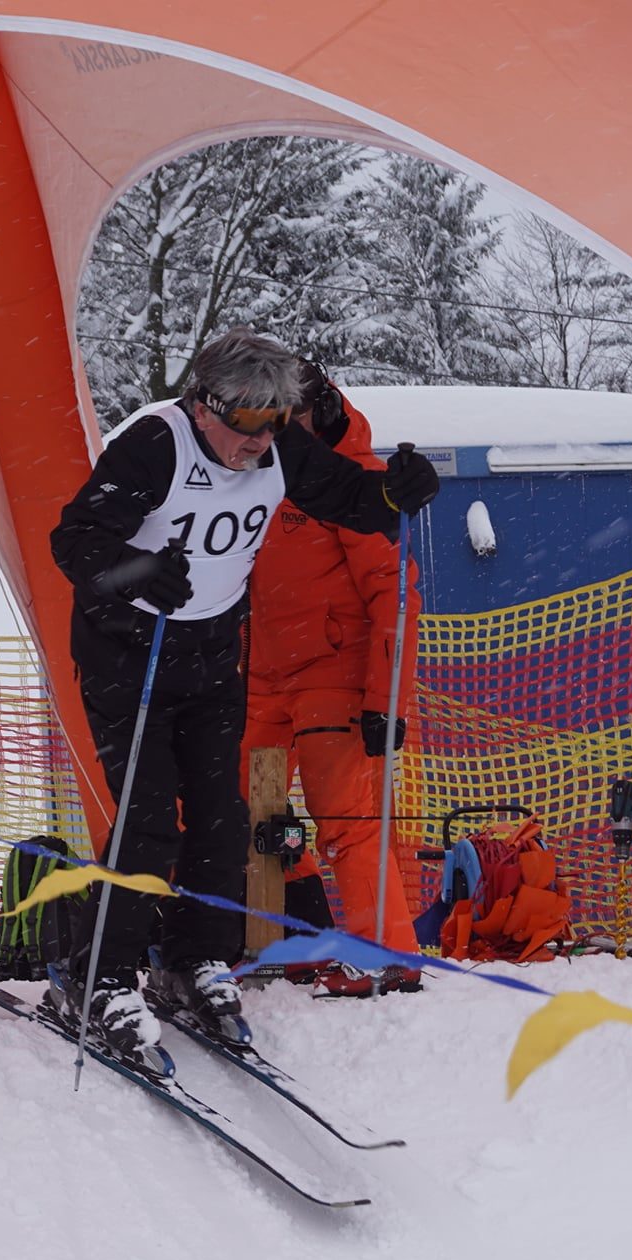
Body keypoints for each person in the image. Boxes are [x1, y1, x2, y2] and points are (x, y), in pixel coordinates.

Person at [49, 327, 439, 1059]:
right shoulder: (155, 444)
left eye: (273, 423)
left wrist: (395, 490)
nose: (258, 443)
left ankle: (194, 957)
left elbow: (349, 497)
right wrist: (137, 571)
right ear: (205, 406)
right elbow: (74, 541)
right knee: (149, 817)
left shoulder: (279, 444)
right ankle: (98, 972)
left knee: (224, 819)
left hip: (211, 654)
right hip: (130, 657)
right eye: (246, 424)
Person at [242, 359, 425, 997]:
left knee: (347, 821)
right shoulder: (259, 470)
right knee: (245, 813)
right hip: (262, 676)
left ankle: (388, 957)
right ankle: (298, 940)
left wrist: (385, 702)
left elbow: (396, 597)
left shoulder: (356, 483)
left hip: (333, 678)